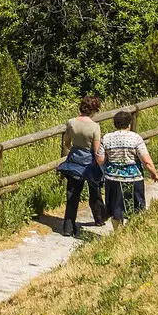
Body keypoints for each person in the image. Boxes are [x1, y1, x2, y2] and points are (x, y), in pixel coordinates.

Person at [100, 108, 158, 225]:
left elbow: (101, 159)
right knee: (136, 208)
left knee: (115, 210)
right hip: (133, 178)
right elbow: (146, 160)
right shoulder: (136, 138)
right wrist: (154, 173)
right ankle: (132, 233)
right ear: (129, 124)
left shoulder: (106, 138)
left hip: (113, 178)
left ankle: (117, 234)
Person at [57, 95, 106, 236]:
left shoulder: (71, 122)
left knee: (72, 194)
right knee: (95, 191)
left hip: (74, 160)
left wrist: (71, 151)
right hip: (90, 162)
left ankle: (68, 227)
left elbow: (66, 142)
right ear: (94, 110)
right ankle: (99, 218)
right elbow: (96, 150)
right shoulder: (95, 127)